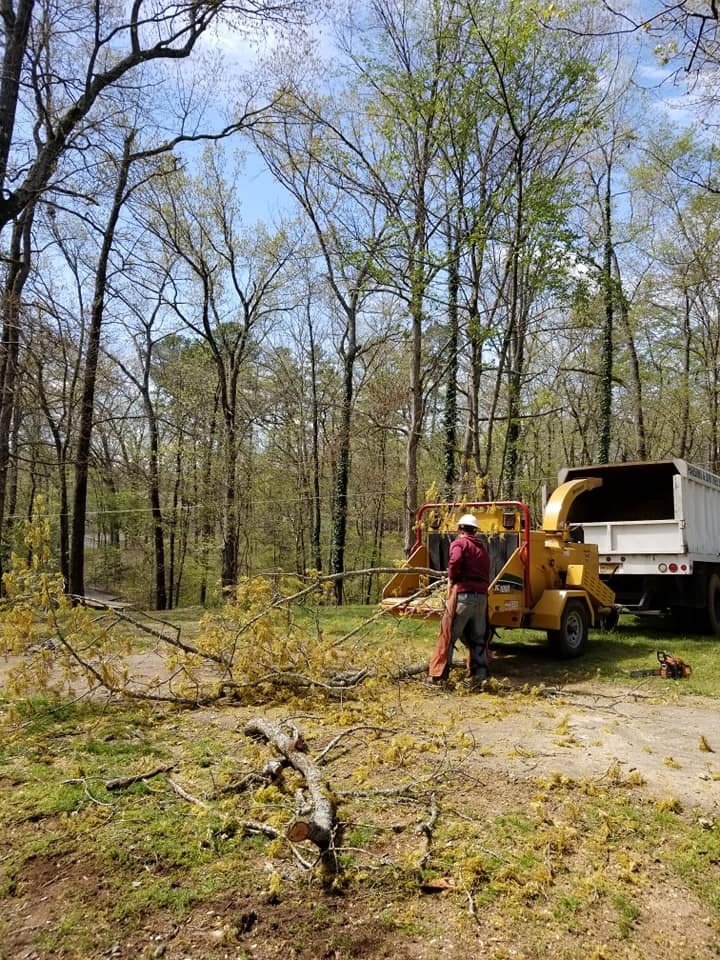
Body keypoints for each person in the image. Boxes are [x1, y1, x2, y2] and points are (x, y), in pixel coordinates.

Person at [427, 514, 491, 685]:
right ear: (475, 530)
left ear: (460, 528)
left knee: (449, 636)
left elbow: (454, 561)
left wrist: (451, 577)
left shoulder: (459, 544)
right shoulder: (482, 547)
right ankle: (480, 676)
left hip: (463, 595)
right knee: (478, 638)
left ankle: (439, 676)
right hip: (482, 597)